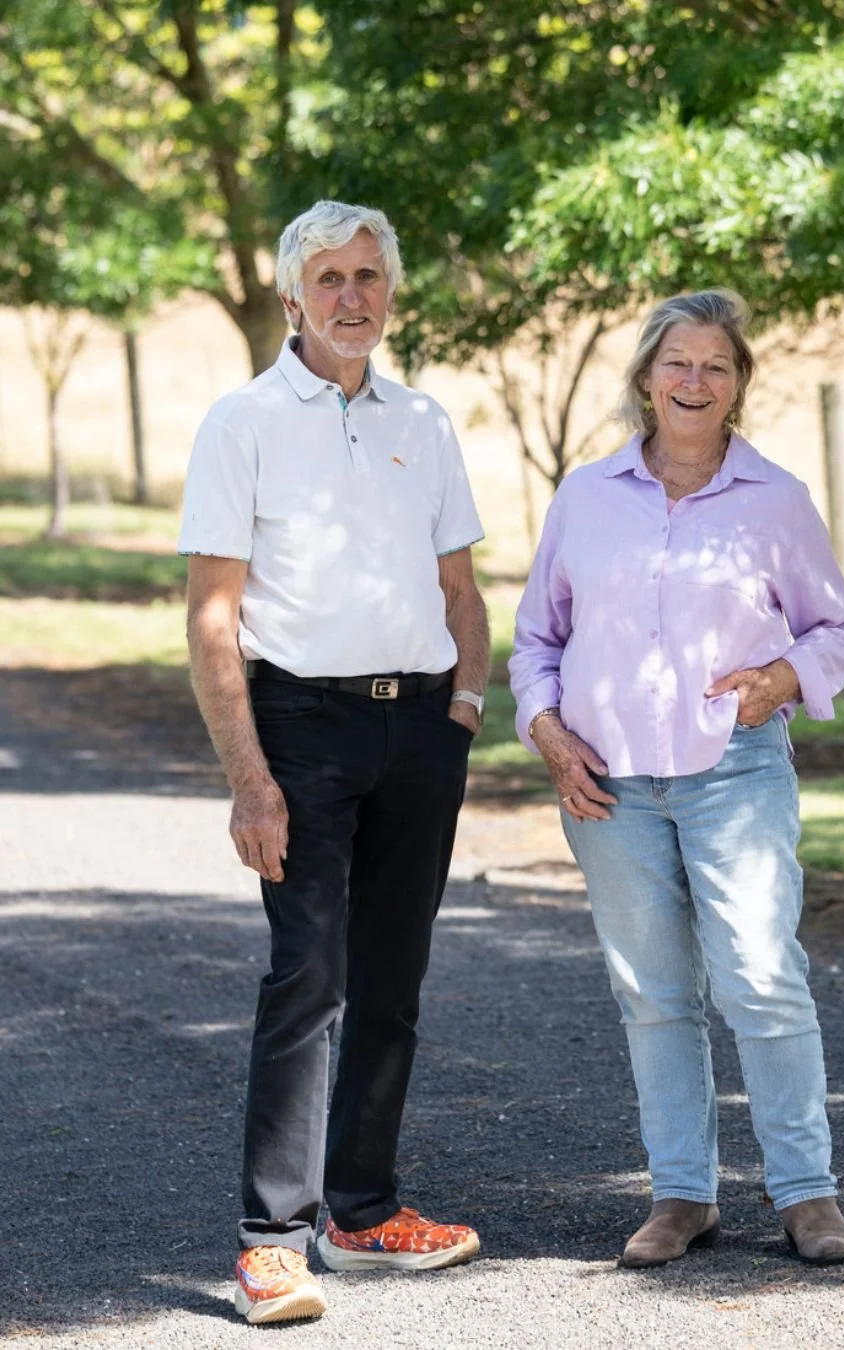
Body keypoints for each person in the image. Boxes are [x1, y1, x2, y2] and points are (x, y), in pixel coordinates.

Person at [509, 289, 844, 1269]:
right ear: (644, 378)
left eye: (717, 365)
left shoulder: (777, 500)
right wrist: (547, 733)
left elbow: (840, 627)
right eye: (678, 363)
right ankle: (682, 1196)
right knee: (655, 993)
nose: (695, 381)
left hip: (735, 771)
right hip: (609, 784)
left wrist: (784, 679)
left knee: (761, 978)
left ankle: (807, 1195)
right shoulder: (586, 497)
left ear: (740, 384)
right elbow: (537, 637)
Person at [180, 200, 489, 1324]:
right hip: (299, 729)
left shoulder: (427, 421)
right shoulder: (243, 423)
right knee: (307, 978)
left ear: (390, 291)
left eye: (369, 276)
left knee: (394, 980)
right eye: (330, 279)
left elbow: (461, 588)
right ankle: (272, 1240)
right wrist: (249, 779)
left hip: (419, 731)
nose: (352, 297)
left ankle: (361, 1213)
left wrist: (462, 700)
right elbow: (214, 618)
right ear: (291, 296)